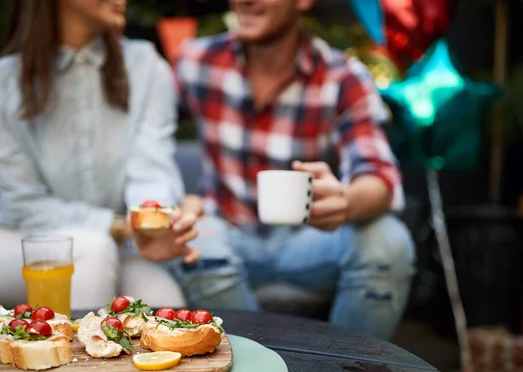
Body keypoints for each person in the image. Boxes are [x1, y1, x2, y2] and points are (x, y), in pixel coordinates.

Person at [175, 0, 416, 340]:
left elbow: (379, 177)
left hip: (307, 243)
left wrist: (346, 201)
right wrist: (176, 197)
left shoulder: (342, 75)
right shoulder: (195, 61)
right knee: (199, 238)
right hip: (224, 239)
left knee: (389, 241)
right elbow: (146, 143)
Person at [0, 0, 201, 310]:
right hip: (16, 241)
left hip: (118, 247)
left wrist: (155, 223)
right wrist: (120, 226)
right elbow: (23, 204)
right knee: (93, 249)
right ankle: (74, 359)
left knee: (163, 302)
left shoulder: (147, 68)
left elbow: (151, 171)